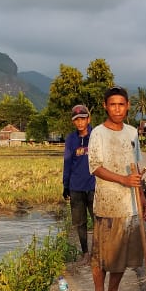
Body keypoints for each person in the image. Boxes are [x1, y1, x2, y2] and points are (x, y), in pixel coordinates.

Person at [87, 88, 144, 291]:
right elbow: (95, 167)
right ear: (105, 106)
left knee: (124, 253)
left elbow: (136, 166)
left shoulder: (132, 133)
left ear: (128, 105)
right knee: (102, 254)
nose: (117, 109)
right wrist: (123, 179)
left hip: (129, 204)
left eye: (121, 104)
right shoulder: (98, 134)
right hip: (107, 204)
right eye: (113, 104)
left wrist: (141, 196)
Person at [62, 104, 96, 263]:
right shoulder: (71, 139)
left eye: (83, 118)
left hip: (94, 186)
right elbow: (67, 162)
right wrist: (66, 185)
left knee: (99, 221)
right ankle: (85, 253)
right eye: (77, 120)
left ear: (88, 119)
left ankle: (99, 252)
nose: (80, 122)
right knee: (80, 222)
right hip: (76, 187)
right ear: (73, 122)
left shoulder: (97, 135)